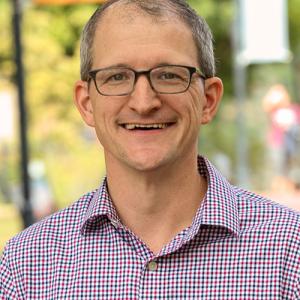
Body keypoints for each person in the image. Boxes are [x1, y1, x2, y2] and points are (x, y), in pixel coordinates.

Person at [1, 0, 299, 298]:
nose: (144, 103)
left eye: (168, 75)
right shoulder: (27, 266)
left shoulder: (289, 250)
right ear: (86, 104)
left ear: (208, 100)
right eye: (117, 76)